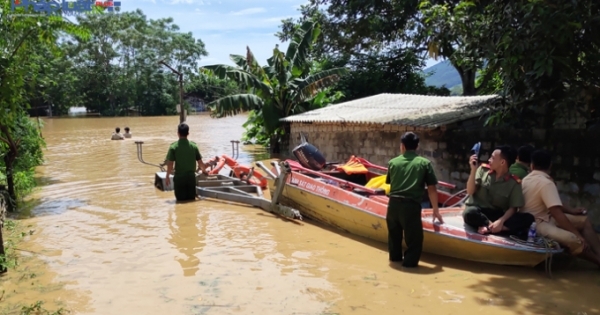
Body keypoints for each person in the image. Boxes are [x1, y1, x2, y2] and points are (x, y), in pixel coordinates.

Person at [522, 150, 600, 266]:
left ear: (532, 165)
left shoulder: (527, 179)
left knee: (583, 221)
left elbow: (554, 204)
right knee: (576, 240)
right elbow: (557, 213)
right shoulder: (546, 183)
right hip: (538, 223)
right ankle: (597, 260)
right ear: (550, 165)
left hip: (545, 218)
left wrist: (572, 211)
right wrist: (577, 234)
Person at [385, 132, 444, 268]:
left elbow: (390, 183)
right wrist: (435, 209)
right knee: (414, 240)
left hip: (393, 205)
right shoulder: (424, 163)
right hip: (410, 207)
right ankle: (409, 267)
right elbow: (431, 188)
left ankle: (395, 262)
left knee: (394, 238)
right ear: (417, 146)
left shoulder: (393, 163)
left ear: (402, 146)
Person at [462, 145, 534, 238]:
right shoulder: (482, 170)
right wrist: (473, 170)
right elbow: (470, 191)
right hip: (478, 211)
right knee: (469, 212)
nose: (489, 160)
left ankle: (494, 228)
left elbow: (513, 208)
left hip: (497, 214)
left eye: (492, 157)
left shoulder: (514, 182)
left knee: (528, 218)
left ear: (502, 162)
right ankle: (491, 226)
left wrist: (501, 221)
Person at [165, 123, 207, 202]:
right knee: (191, 201)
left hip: (179, 179)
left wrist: (167, 176)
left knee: (180, 202)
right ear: (188, 133)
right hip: (191, 178)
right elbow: (200, 162)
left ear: (178, 133)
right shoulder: (194, 146)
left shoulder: (173, 147)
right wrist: (204, 171)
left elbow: (170, 164)